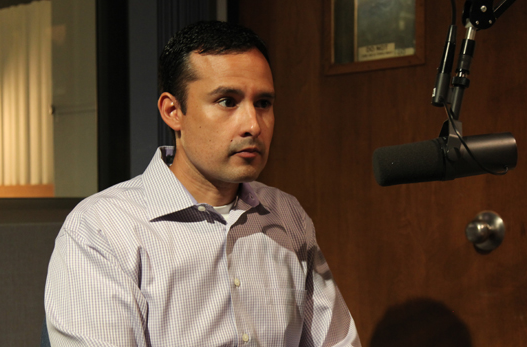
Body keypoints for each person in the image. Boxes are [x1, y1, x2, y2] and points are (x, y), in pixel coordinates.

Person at [44, 20, 361, 346]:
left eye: (263, 103)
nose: (253, 124)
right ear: (173, 111)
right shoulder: (104, 228)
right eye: (227, 101)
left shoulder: (287, 214)